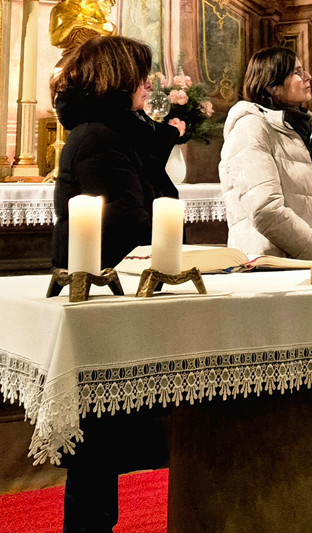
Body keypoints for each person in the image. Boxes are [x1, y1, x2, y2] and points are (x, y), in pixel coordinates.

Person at [50, 35, 182, 532]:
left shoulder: (116, 133)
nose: (148, 83)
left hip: (115, 293)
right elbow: (126, 220)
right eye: (141, 74)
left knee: (101, 446)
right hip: (102, 294)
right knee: (96, 446)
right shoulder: (100, 138)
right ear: (119, 77)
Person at [219, 46, 312, 261]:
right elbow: (265, 209)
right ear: (271, 85)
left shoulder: (307, 130)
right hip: (270, 264)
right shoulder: (251, 127)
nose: (308, 77)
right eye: (297, 72)